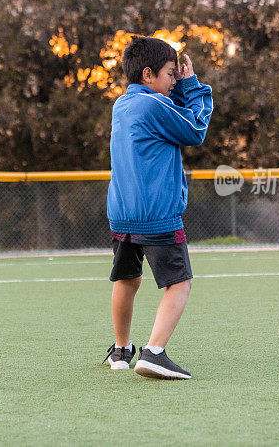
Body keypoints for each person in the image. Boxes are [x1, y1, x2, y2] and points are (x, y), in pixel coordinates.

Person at [102, 36, 213, 379]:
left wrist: (177, 87)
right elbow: (194, 128)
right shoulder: (153, 105)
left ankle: (121, 350)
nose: (174, 81)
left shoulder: (123, 105)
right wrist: (193, 86)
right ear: (148, 75)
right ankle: (154, 352)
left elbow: (170, 111)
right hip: (157, 215)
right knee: (179, 283)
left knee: (127, 279)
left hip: (123, 213)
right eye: (170, 74)